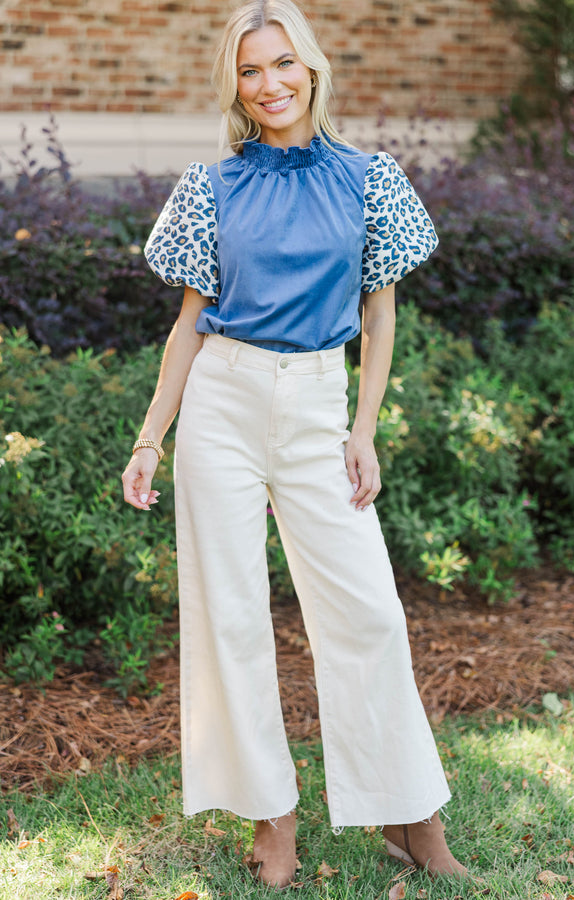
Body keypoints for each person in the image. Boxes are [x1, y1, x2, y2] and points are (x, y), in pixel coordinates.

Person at [122, 0, 468, 888]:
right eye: (249, 70)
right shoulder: (212, 188)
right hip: (222, 402)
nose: (268, 83)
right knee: (231, 614)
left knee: (368, 611)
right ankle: (273, 816)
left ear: (310, 67)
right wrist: (151, 439)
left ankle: (406, 813)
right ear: (234, 86)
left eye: (281, 64)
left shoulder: (371, 179)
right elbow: (188, 327)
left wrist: (363, 429)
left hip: (318, 403)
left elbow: (379, 315)